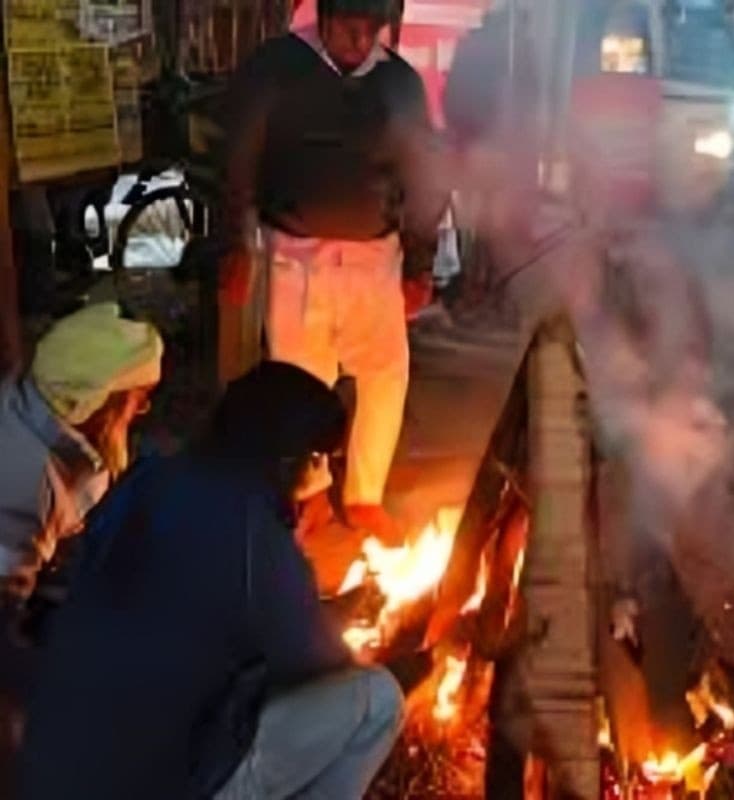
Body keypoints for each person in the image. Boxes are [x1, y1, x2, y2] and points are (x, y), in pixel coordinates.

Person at [17, 362, 403, 800]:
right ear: (290, 458)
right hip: (155, 781)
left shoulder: (149, 480)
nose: (324, 473)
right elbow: (315, 660)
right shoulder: (254, 533)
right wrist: (330, 616)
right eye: (322, 459)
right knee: (376, 697)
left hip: (51, 758)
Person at [220, 0, 448, 541]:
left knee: (386, 376)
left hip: (375, 258)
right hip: (296, 257)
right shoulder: (275, 68)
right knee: (300, 380)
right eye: (350, 26)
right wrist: (232, 245)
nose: (359, 40)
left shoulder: (399, 83)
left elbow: (424, 176)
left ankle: (365, 495)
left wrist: (419, 262)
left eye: (371, 29)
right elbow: (236, 162)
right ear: (323, 18)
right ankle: (310, 491)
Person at [0, 303, 162, 606]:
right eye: (139, 399)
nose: (143, 411)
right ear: (104, 402)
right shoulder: (29, 485)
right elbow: (7, 611)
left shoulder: (21, 402)